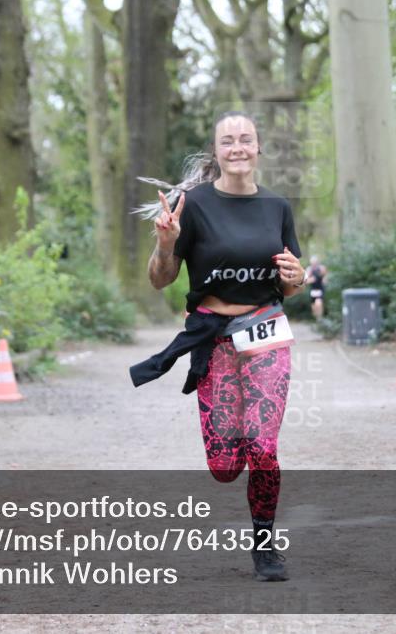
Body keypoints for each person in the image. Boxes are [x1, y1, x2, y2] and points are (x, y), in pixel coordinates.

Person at [128, 111, 305, 582]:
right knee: (226, 466)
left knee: (263, 448)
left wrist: (299, 278)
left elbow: (290, 284)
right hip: (215, 340)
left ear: (259, 148)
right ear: (217, 151)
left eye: (246, 139)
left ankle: (265, 546)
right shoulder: (194, 205)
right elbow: (160, 280)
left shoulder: (278, 207)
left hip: (266, 333)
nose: (238, 147)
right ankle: (240, 450)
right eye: (228, 141)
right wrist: (165, 245)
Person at [305, 255, 328, 320]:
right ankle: (316, 318)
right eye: (313, 262)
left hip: (320, 288)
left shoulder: (321, 268)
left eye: (315, 262)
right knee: (313, 306)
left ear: (317, 262)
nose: (314, 264)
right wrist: (311, 280)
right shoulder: (309, 269)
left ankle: (320, 318)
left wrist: (324, 279)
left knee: (319, 303)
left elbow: (325, 276)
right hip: (313, 289)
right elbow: (306, 281)